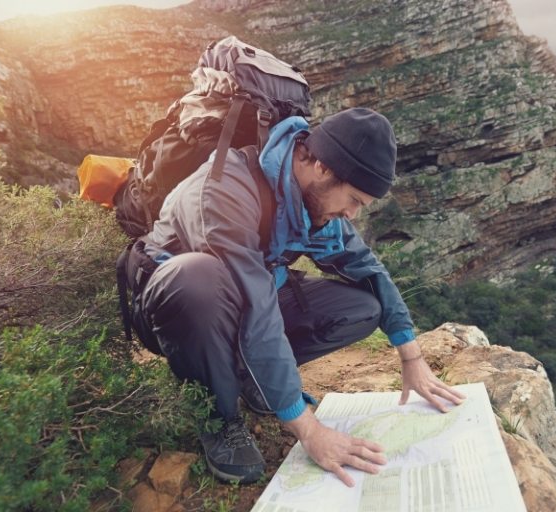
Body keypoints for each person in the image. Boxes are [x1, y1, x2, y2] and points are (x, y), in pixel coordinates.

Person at [131, 107, 466, 485]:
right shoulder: (225, 191)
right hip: (176, 307)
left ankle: (250, 378)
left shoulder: (313, 201)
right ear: (322, 167)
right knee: (196, 278)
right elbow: (257, 307)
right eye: (353, 199)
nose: (352, 214)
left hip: (247, 295)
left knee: (362, 307)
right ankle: (220, 418)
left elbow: (366, 267)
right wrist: (309, 430)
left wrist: (411, 354)